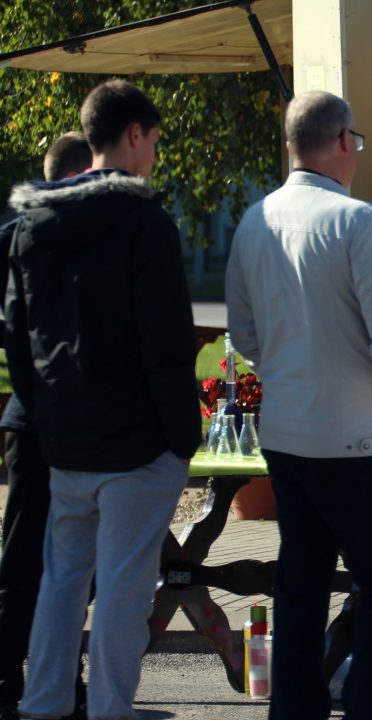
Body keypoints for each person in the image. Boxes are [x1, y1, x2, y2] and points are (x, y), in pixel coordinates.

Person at [225, 90, 372, 720]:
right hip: (359, 437)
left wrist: (290, 370)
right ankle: (367, 708)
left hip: (289, 434)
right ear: (343, 141)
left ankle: (294, 710)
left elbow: (244, 334)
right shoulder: (359, 221)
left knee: (301, 586)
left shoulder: (253, 220)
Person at [5, 79, 202, 720]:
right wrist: (183, 439)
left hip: (65, 437)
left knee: (62, 579)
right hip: (137, 441)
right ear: (135, 135)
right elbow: (167, 343)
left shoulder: (32, 227)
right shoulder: (145, 224)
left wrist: (44, 415)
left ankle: (44, 703)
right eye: (154, 142)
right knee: (123, 586)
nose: (154, 157)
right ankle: (111, 709)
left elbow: (18, 337)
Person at [0, 132, 92, 720]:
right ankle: (64, 682)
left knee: (22, 558)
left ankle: (11, 677)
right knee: (70, 562)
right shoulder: (87, 237)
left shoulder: (15, 233)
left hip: (26, 416)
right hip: (68, 421)